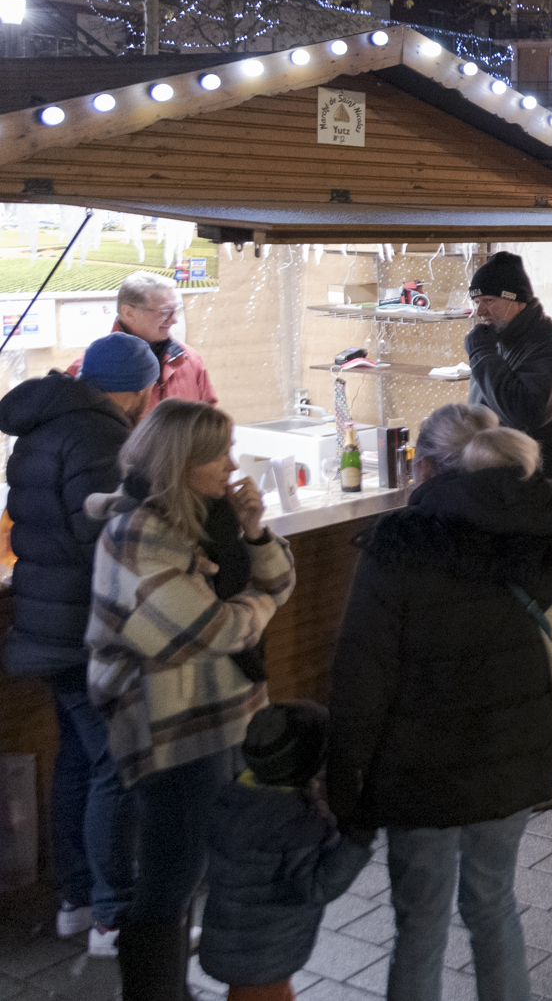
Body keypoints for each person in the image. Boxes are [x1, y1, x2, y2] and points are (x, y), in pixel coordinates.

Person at [327, 419, 552, 998]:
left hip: (420, 765)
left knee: (420, 922)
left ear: (430, 467)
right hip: (511, 746)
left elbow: (362, 671)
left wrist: (345, 782)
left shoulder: (401, 541)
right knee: (494, 904)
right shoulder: (539, 530)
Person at [88, 398, 295, 1000]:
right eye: (220, 453)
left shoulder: (212, 520)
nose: (232, 464)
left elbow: (281, 578)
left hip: (227, 712)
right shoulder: (137, 534)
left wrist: (256, 532)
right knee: (171, 875)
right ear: (183, 463)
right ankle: (153, 989)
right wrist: (258, 607)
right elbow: (212, 630)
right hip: (172, 724)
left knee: (195, 866)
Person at [2, 333, 155, 954]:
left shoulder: (45, 425)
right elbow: (104, 543)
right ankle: (111, 916)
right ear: (137, 391)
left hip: (43, 625)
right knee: (114, 766)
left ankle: (75, 898)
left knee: (79, 760)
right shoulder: (99, 436)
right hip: (82, 631)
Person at [201, 701, 371, 1001]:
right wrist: (356, 842)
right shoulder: (294, 823)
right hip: (264, 950)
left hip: (237, 941)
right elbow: (317, 887)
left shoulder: (234, 799)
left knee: (273, 992)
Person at [464, 250, 552, 498]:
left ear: (516, 299)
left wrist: (481, 354)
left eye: (489, 301)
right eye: (476, 302)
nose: (480, 311)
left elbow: (527, 412)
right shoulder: (498, 343)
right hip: (509, 487)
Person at [66, 271, 215, 413]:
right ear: (129, 313)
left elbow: (209, 424)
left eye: (175, 310)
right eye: (165, 312)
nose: (174, 320)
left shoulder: (190, 359)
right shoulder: (85, 369)